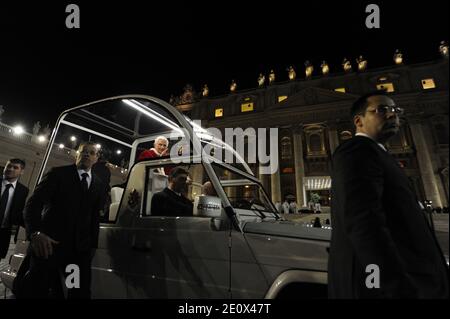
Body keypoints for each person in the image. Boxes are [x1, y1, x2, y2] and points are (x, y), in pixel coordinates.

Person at [328, 91, 449, 299]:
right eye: (382, 110)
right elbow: (364, 224)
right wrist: (391, 287)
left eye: (396, 110)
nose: (392, 115)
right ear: (358, 121)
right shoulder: (356, 150)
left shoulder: (378, 153)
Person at [20, 142, 106, 299]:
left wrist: (92, 245)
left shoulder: (98, 185)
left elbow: (94, 218)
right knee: (38, 290)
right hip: (49, 247)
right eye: (83, 152)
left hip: (77, 254)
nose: (87, 154)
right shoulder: (58, 174)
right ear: (76, 154)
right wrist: (35, 232)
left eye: (91, 153)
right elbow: (33, 205)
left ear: (96, 158)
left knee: (76, 291)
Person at [0, 159, 29, 261]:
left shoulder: (23, 190)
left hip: (3, 232)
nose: (10, 169)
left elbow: (19, 212)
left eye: (15, 167)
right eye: (9, 166)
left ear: (22, 171)